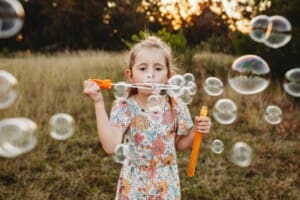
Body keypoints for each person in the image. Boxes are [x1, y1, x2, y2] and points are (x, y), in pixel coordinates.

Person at [83, 36, 211, 200]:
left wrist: (195, 131)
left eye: (158, 69)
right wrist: (98, 103)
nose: (150, 75)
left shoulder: (176, 106)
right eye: (142, 69)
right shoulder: (125, 107)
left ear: (168, 76)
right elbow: (110, 146)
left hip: (165, 184)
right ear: (130, 75)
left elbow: (178, 145)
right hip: (134, 185)